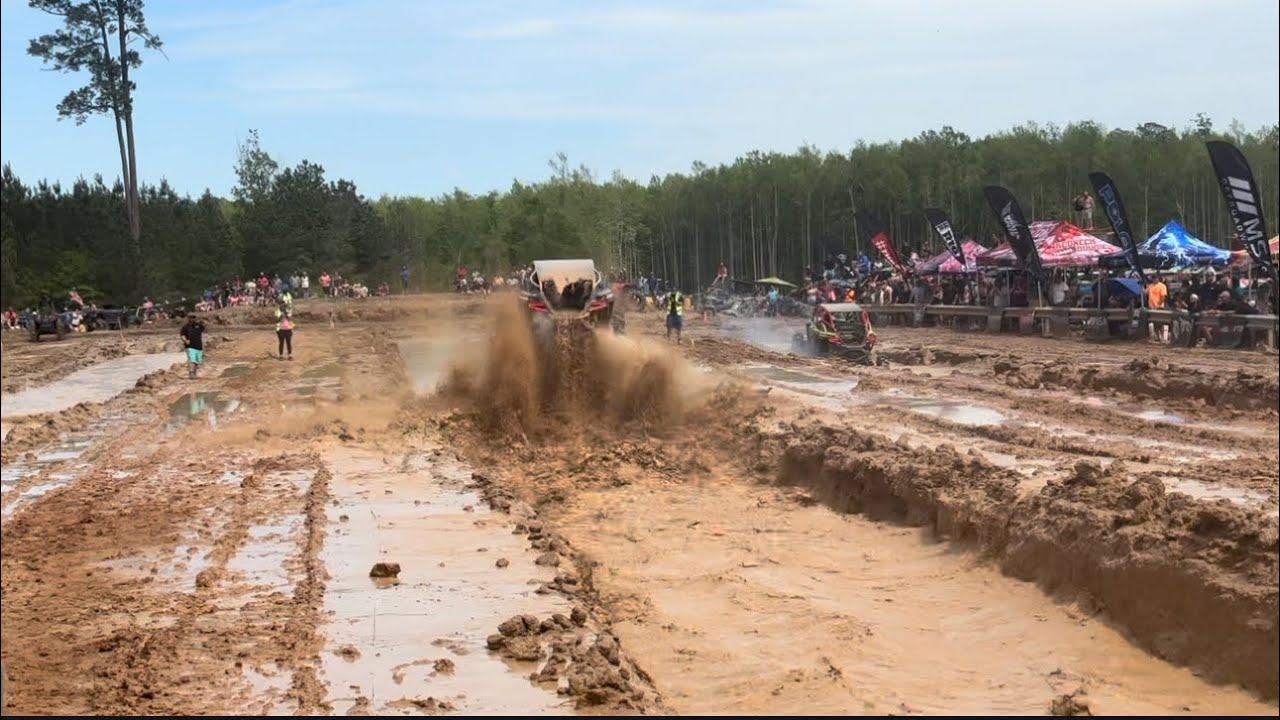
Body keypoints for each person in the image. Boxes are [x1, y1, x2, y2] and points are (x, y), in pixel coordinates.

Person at [180, 314, 206, 379]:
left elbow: (204, 329)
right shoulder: (185, 327)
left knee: (197, 360)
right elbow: (182, 335)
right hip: (190, 346)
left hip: (198, 345)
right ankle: (191, 373)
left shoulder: (199, 325)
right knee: (192, 359)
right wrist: (186, 341)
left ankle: (194, 373)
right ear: (188, 319)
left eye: (193, 318)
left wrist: (203, 322)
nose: (192, 319)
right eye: (190, 318)